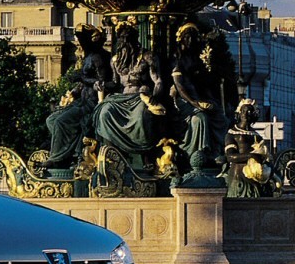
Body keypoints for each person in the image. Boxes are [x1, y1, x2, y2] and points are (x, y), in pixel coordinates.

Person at [93, 23, 167, 159]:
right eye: (122, 38)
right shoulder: (115, 60)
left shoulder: (147, 57)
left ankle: (146, 156)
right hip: (122, 98)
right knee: (104, 112)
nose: (125, 41)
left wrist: (155, 95)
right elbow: (115, 83)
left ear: (135, 39)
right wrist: (101, 84)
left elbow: (158, 81)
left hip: (141, 95)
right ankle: (113, 154)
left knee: (140, 116)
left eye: (128, 38)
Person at [44, 25, 112, 169]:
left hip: (92, 103)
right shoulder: (88, 57)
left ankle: (57, 158)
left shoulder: (98, 57)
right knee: (51, 120)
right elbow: (85, 81)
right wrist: (75, 91)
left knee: (60, 121)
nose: (80, 43)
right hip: (82, 100)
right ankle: (68, 153)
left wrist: (81, 78)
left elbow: (101, 82)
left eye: (82, 40)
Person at [172, 23, 227, 165]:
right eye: (187, 37)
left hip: (196, 97)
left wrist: (209, 98)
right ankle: (197, 153)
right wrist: (194, 103)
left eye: (192, 38)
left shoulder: (195, 59)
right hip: (183, 100)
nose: (190, 41)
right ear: (181, 39)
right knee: (200, 118)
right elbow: (179, 87)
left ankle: (217, 151)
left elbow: (202, 83)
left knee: (220, 116)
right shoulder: (177, 59)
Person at [224, 100, 275, 198]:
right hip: (239, 177)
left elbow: (266, 158)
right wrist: (251, 156)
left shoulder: (257, 136)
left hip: (256, 178)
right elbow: (230, 156)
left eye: (249, 112)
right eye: (243, 111)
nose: (246, 114)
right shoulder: (232, 134)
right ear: (239, 113)